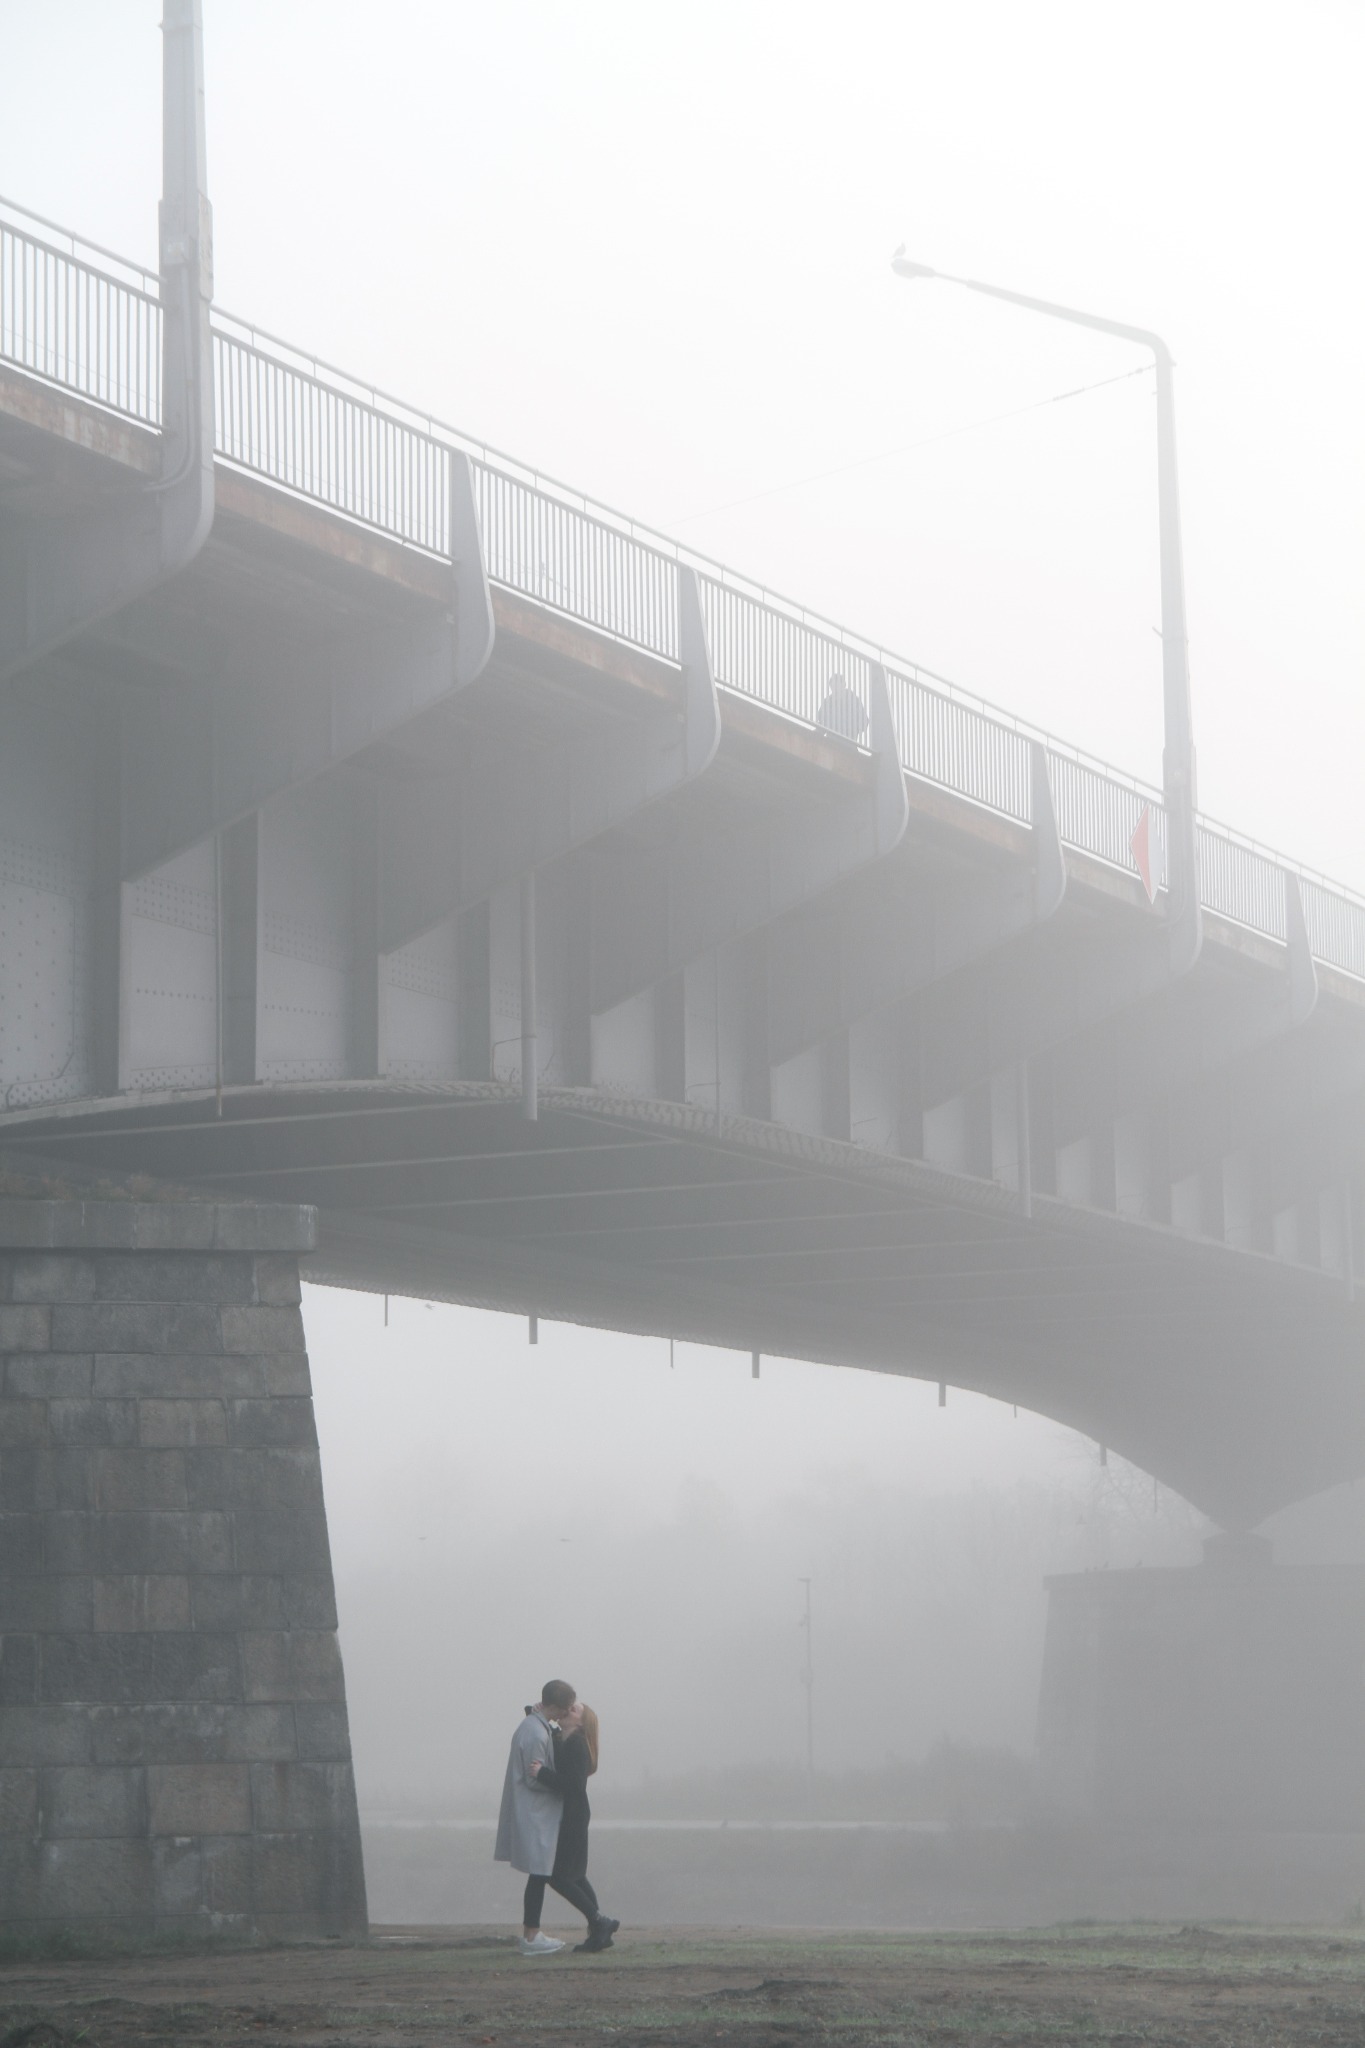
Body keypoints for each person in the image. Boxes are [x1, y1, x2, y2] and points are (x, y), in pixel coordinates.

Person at [495, 1678, 578, 1956]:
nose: (567, 1714)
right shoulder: (536, 1735)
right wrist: (559, 1784)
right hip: (536, 1813)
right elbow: (533, 1778)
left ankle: (531, 1933)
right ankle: (531, 1936)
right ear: (557, 1707)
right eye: (566, 1708)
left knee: (539, 1874)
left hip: (535, 1812)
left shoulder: (533, 1726)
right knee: (539, 1874)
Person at [535, 1702, 619, 1954]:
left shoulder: (577, 1745)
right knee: (577, 1875)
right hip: (574, 1814)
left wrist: (541, 1774)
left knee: (558, 1877)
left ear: (582, 1723)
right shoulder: (567, 1740)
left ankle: (599, 1922)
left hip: (573, 1816)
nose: (566, 1710)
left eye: (572, 1710)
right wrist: (538, 1714)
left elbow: (574, 1785)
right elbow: (552, 1735)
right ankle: (599, 1932)